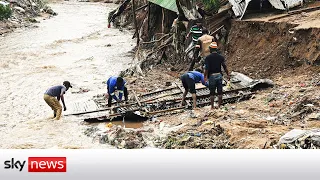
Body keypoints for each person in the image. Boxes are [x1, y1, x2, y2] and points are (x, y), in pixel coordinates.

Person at [204, 42, 230, 109]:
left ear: (211, 49)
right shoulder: (220, 57)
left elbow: (206, 68)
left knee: (212, 92)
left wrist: (205, 77)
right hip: (219, 75)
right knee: (220, 92)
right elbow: (224, 66)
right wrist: (228, 75)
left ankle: (212, 107)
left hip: (212, 76)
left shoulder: (208, 57)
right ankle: (219, 106)